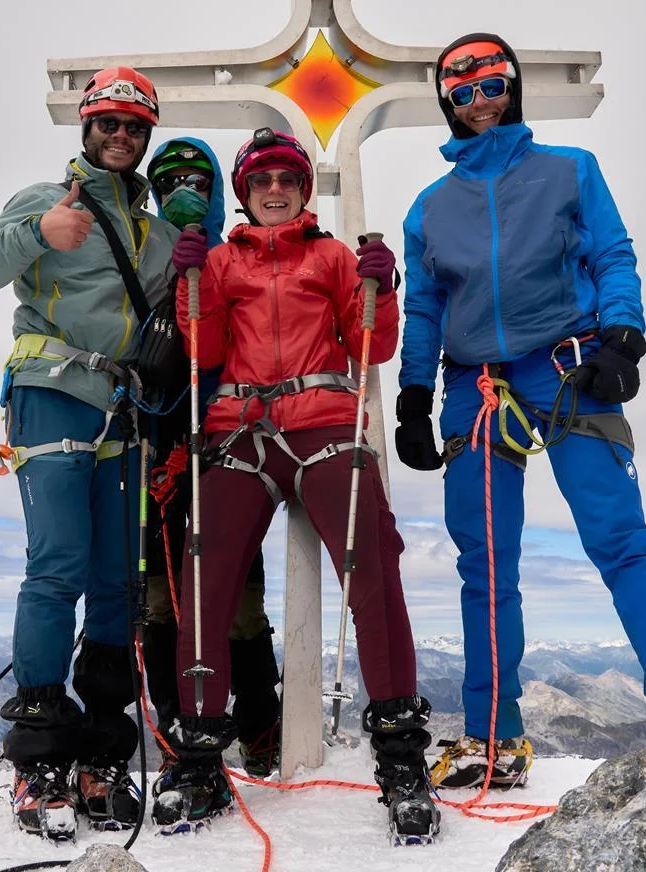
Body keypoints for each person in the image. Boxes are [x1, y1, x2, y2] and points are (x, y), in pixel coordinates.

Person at [396, 33, 646, 790]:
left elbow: (613, 254)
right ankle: (492, 737)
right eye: (464, 92)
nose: (480, 102)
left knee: (623, 543)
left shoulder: (571, 171)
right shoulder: (431, 208)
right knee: (485, 565)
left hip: (572, 370)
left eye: (492, 85)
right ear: (448, 103)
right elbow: (424, 306)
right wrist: (412, 395)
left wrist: (624, 335)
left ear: (513, 87)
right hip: (474, 385)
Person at [152, 128, 440, 844]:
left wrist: (381, 286)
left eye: (286, 178)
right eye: (260, 180)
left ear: (302, 190)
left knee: (372, 565)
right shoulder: (219, 262)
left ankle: (401, 755)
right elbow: (204, 350)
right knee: (204, 575)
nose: (274, 189)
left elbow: (373, 340)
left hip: (321, 419)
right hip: (239, 423)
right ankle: (199, 759)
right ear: (245, 193)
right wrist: (191, 285)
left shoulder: (333, 256)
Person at [0, 66, 179, 837]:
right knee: (57, 568)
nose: (119, 136)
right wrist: (36, 234)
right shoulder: (45, 202)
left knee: (117, 581)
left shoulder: (158, 233)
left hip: (123, 408)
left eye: (133, 126)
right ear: (86, 128)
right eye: (108, 123)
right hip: (51, 389)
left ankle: (103, 750)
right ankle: (41, 755)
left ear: (147, 135)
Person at [141, 137, 282, 777]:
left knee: (239, 597)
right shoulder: (141, 257)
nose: (185, 192)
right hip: (153, 446)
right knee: (161, 597)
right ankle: (179, 731)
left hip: (227, 442)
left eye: (198, 180)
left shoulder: (235, 260)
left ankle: (259, 726)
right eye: (170, 180)